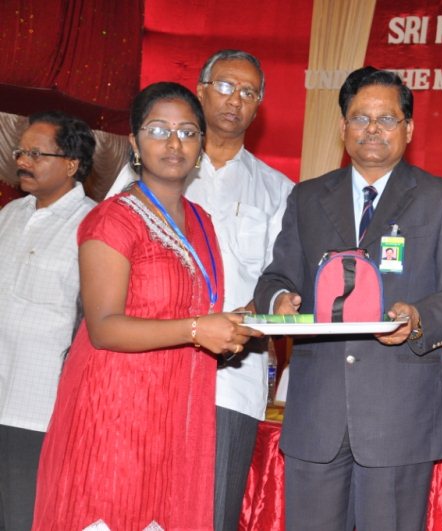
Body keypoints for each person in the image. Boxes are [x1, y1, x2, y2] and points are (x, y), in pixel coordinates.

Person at [253, 66, 442, 530]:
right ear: (343, 126)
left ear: (409, 128)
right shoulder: (307, 198)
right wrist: (279, 298)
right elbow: (275, 276)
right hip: (316, 416)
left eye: (387, 119)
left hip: (398, 419)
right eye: (361, 118)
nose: (373, 129)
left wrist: (420, 317)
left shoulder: (439, 198)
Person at [32, 82, 259, 530]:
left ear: (201, 144)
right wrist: (197, 330)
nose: (174, 143)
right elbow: (103, 327)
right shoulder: (112, 218)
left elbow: (196, 313)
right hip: (115, 412)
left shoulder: (201, 221)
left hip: (176, 415)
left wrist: (249, 320)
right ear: (135, 143)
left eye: (187, 132)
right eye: (158, 130)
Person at [106, 49, 294, 530]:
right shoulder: (149, 169)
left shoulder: (278, 190)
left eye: (249, 92)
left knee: (210, 514)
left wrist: (242, 325)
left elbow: (283, 279)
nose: (235, 100)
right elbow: (107, 259)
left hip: (231, 378)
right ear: (202, 91)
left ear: (259, 106)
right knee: (133, 510)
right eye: (225, 86)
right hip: (145, 370)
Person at [0, 111, 97, 530]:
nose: (23, 161)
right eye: (21, 152)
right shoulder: (9, 214)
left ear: (72, 164)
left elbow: (93, 324)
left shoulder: (93, 225)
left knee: (25, 519)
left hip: (40, 410)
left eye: (36, 154)